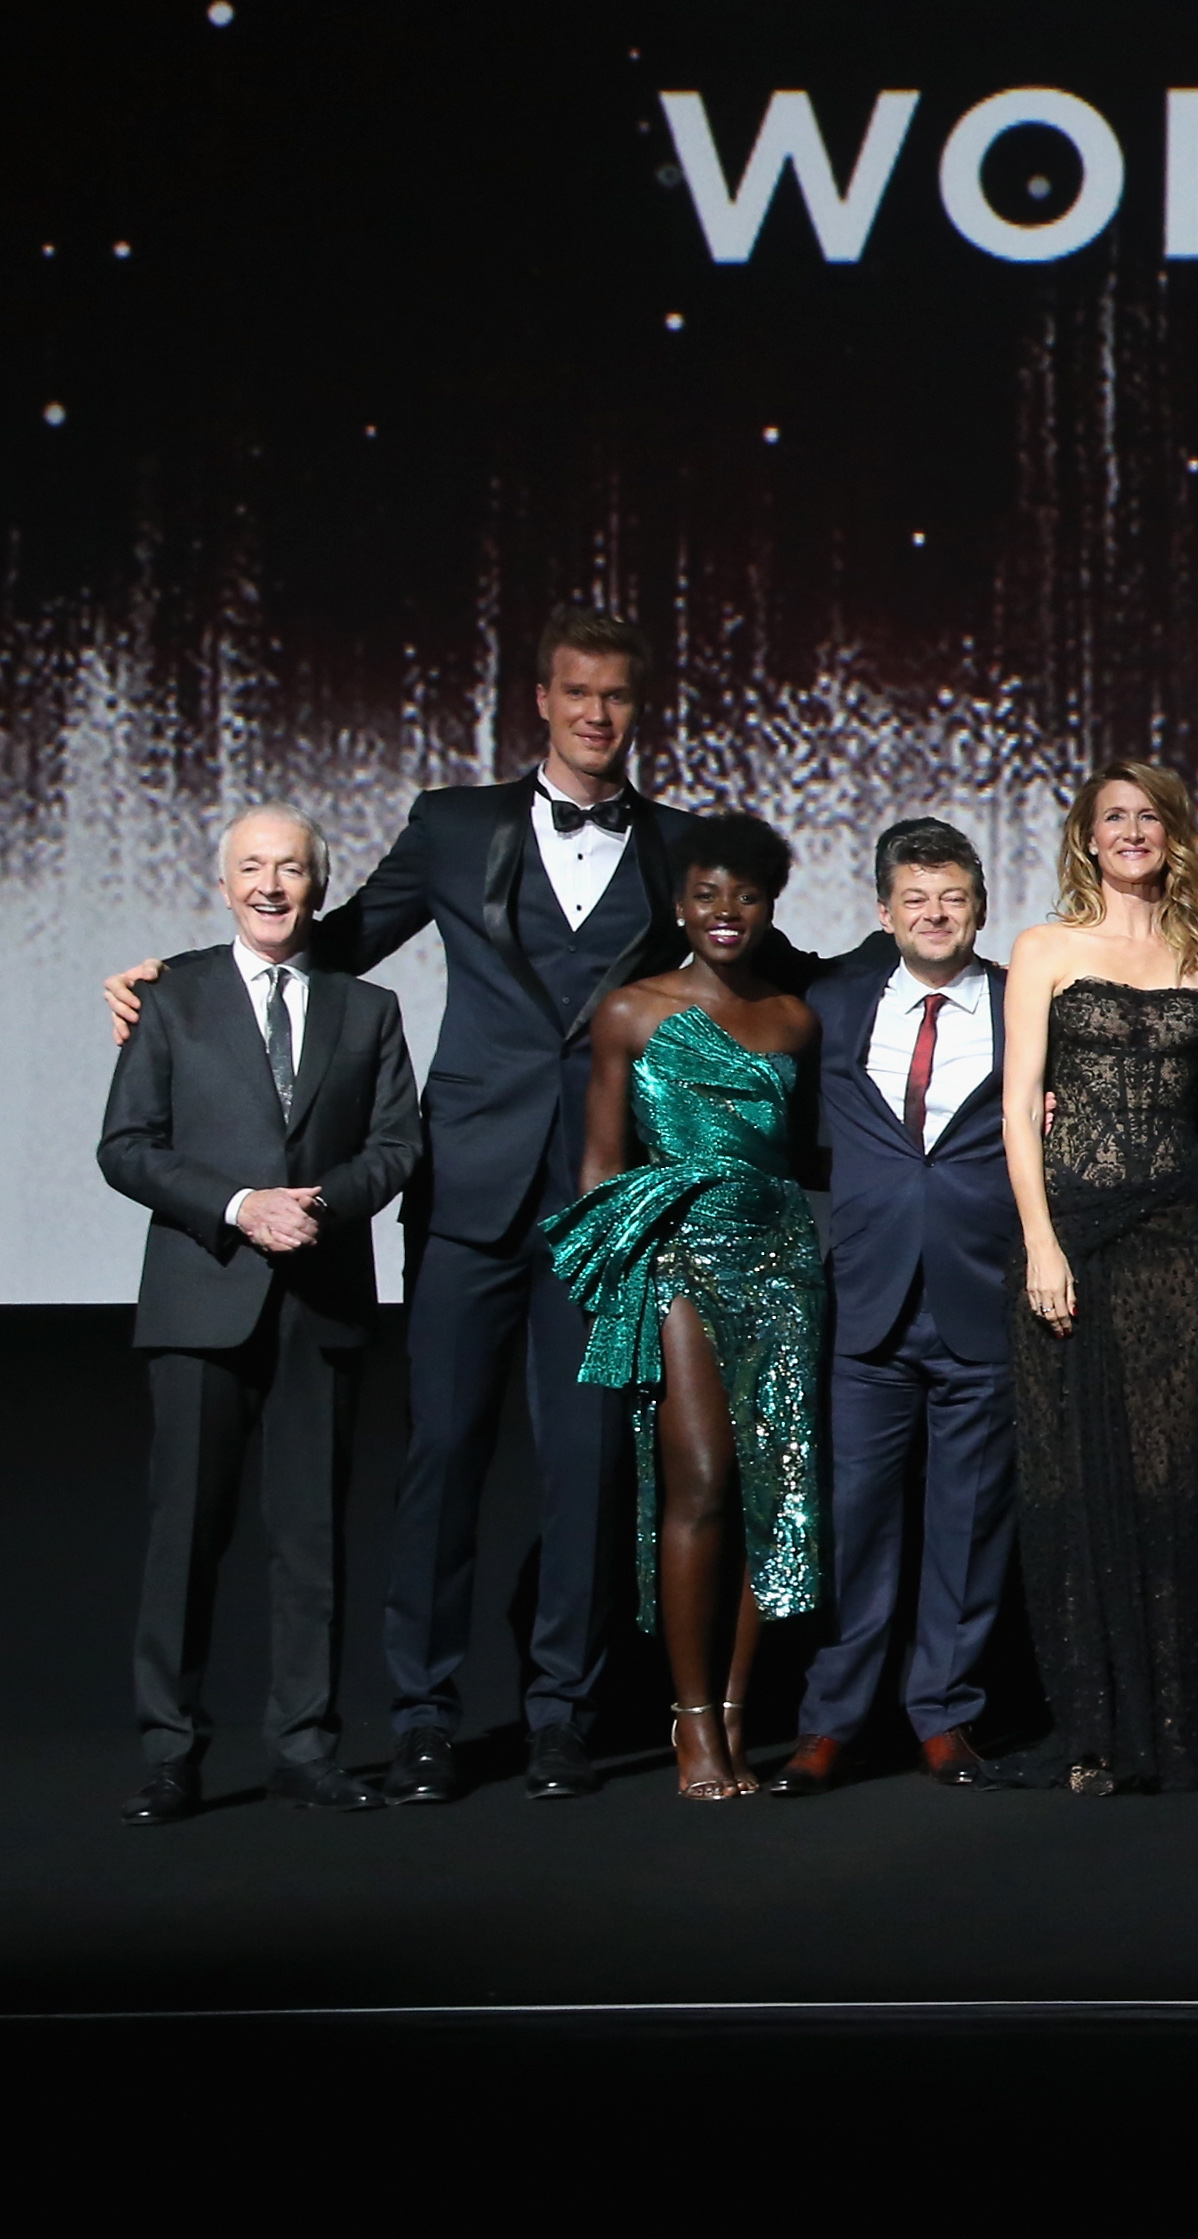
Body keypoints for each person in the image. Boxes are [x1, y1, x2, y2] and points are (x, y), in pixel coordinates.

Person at [103, 605, 685, 1802]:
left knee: (587, 1465)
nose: (596, 713)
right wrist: (176, 982)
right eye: (577, 691)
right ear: (542, 699)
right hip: (465, 1185)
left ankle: (563, 1714)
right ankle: (423, 1714)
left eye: (617, 694)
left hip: (601, 1190)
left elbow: (751, 966)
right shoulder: (454, 822)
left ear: (641, 706)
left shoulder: (677, 845)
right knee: (443, 1454)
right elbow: (335, 940)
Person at [97, 805, 423, 1822]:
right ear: (224, 884)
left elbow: (397, 1146)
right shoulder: (170, 996)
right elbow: (126, 1146)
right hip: (201, 1297)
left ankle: (305, 1747)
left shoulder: (369, 1007)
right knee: (185, 1538)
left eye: (290, 868)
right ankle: (170, 1753)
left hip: (320, 1301)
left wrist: (317, 1204)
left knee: (311, 1540)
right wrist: (241, 1205)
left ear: (319, 885)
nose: (270, 886)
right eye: (251, 867)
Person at [541, 812, 828, 1803]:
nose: (725, 911)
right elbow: (598, 1166)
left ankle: (738, 1714)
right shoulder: (631, 1010)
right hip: (673, 1260)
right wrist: (617, 1281)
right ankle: (692, 1719)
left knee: (767, 1489)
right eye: (707, 894)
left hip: (780, 1262)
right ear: (678, 904)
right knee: (700, 1477)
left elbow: (802, 1153)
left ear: (769, 906)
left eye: (745, 895)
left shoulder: (794, 1019)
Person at [997, 763, 1198, 1796]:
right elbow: (1019, 1106)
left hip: (1177, 1235)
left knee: (1172, 1473)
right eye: (1115, 818)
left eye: (1150, 816)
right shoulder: (1044, 947)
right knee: (1073, 1475)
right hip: (1072, 1233)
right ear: (1088, 838)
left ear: (1172, 834)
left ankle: (1175, 1721)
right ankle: (1092, 1726)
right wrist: (1041, 1243)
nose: (1133, 831)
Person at [768, 821, 1018, 1796]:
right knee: (854, 1524)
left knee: (968, 1522)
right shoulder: (833, 1005)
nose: (935, 914)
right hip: (866, 1301)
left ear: (980, 905)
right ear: (883, 912)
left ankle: (944, 1715)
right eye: (915, 898)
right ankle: (829, 1722)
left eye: (952, 897)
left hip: (981, 1295)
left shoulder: (1021, 1003)